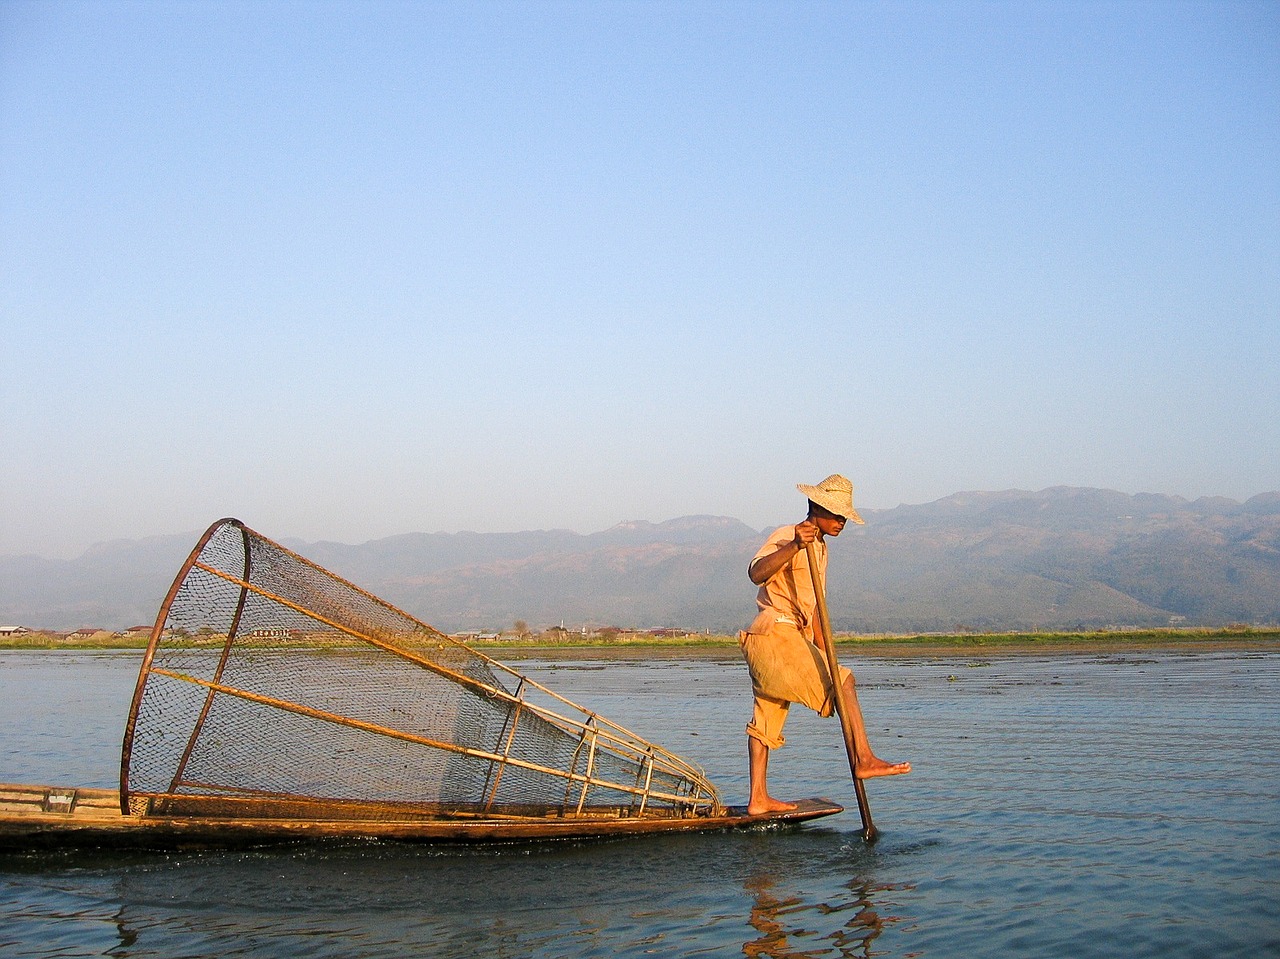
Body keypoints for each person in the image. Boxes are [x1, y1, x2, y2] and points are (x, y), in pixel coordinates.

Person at [739, 473, 910, 815]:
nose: (841, 522)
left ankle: (758, 798)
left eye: (844, 516)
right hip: (774, 634)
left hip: (786, 639)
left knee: (767, 719)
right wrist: (794, 546)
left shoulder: (821, 550)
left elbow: (815, 610)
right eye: (835, 514)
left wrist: (825, 653)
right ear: (815, 508)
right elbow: (756, 573)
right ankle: (863, 757)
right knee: (844, 680)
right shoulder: (788, 535)